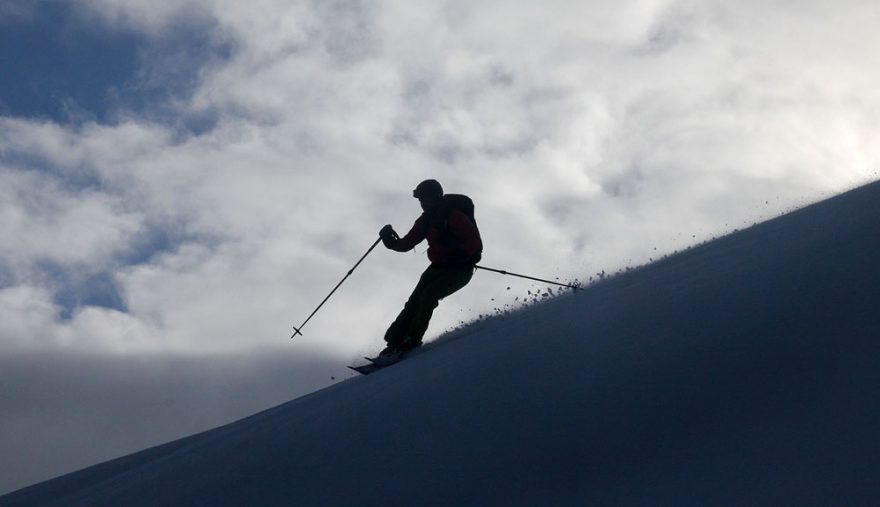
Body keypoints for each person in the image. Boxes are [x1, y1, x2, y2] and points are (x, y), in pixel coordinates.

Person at [376, 179, 483, 364]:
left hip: (459, 270)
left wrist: (462, 255)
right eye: (420, 200)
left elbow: (475, 243)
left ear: (436, 198)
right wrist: (390, 241)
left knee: (428, 297)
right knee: (414, 301)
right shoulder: (425, 221)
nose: (423, 204)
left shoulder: (453, 216)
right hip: (437, 268)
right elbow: (407, 243)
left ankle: (411, 340)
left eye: (425, 199)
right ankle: (393, 342)